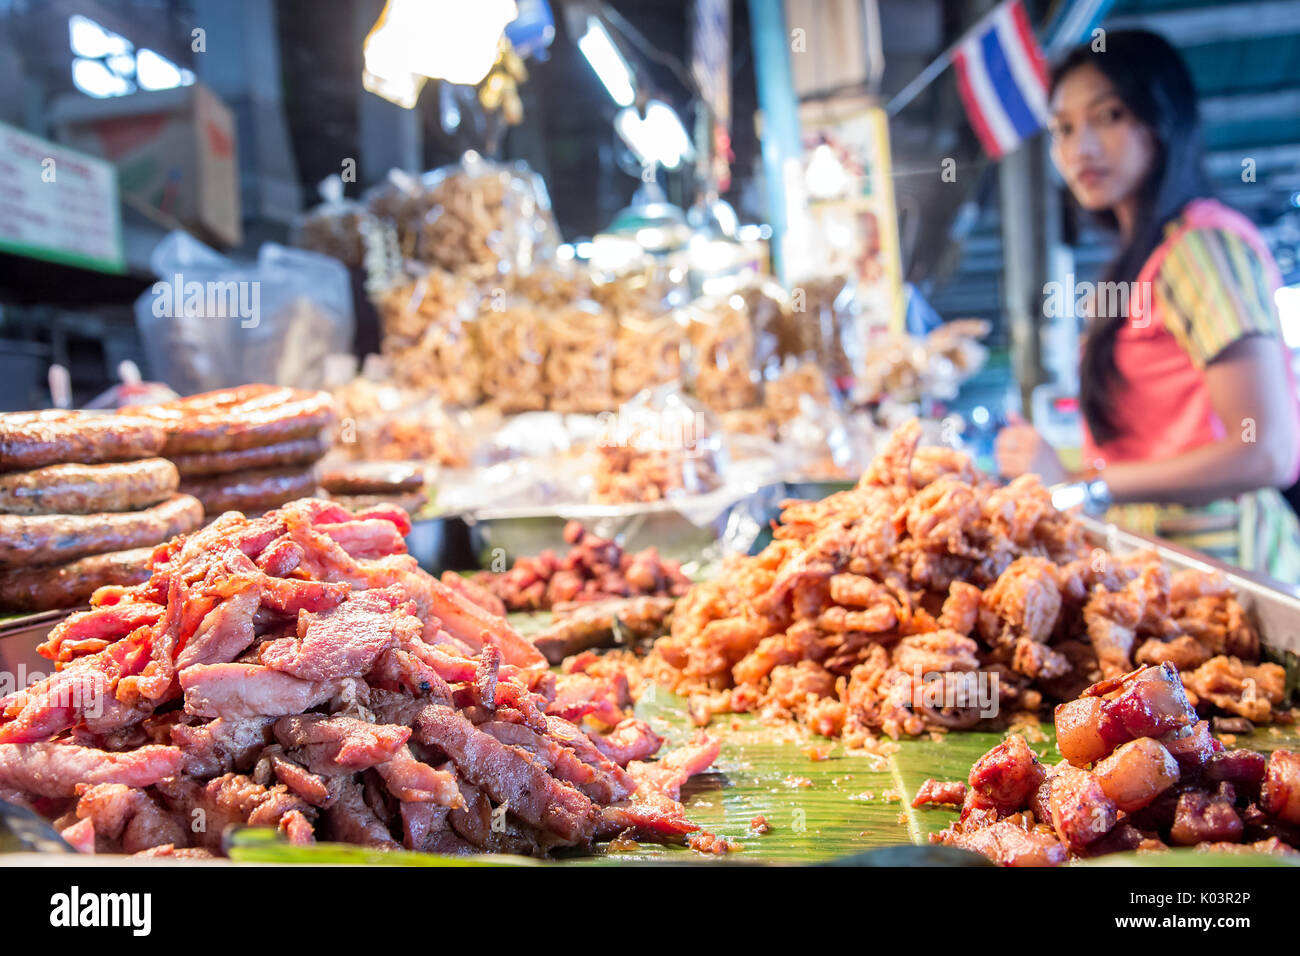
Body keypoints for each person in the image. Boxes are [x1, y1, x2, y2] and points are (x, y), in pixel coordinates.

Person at [995, 31, 1300, 582]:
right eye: (1063, 129)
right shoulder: (1147, 260)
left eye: (1107, 116)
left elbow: (1268, 452)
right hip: (1163, 575)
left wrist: (1083, 486)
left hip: (1231, 579)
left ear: (1161, 119)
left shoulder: (1202, 248)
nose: (1078, 148)